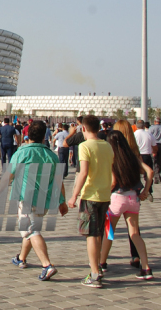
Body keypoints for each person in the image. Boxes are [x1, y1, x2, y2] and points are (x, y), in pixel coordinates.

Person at [7, 121, 68, 281]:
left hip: (27, 199)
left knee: (32, 231)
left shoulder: (22, 153)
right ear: (44, 137)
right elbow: (58, 181)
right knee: (30, 229)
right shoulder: (51, 155)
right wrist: (62, 201)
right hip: (44, 201)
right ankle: (21, 258)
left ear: (27, 135)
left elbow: (9, 174)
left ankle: (47, 265)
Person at [98, 130, 154, 280]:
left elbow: (113, 182)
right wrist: (145, 191)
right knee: (134, 233)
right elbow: (150, 171)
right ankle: (146, 267)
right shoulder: (132, 157)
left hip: (116, 200)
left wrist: (104, 192)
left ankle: (102, 263)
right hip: (133, 200)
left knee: (109, 232)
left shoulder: (111, 158)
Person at [66, 115, 113, 288]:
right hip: (105, 195)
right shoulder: (107, 145)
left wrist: (74, 196)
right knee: (98, 233)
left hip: (90, 196)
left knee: (91, 235)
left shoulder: (85, 146)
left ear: (83, 129)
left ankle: (94, 274)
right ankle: (98, 267)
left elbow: (83, 172)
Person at [134, 119, 157, 196]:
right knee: (148, 173)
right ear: (143, 126)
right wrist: (154, 152)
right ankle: (149, 190)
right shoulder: (149, 134)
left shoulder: (134, 135)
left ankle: (136, 189)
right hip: (146, 155)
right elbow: (154, 146)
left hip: (136, 156)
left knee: (136, 173)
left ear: (136, 126)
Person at [148, 117, 161, 184]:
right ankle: (158, 175)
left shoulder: (151, 128)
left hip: (154, 145)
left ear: (155, 121)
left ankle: (156, 177)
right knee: (159, 161)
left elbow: (149, 136)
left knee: (154, 162)